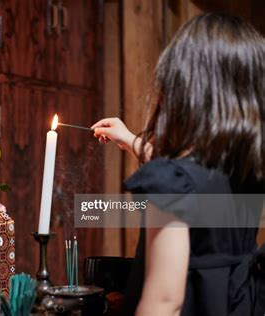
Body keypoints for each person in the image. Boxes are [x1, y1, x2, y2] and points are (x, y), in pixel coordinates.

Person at [91, 13, 264, 316]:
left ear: (184, 87)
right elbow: (196, 183)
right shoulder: (249, 171)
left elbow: (164, 302)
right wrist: (131, 140)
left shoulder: (172, 186)